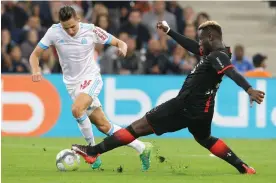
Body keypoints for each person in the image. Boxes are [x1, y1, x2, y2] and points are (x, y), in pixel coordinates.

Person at [72, 20, 265, 174]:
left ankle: (92, 152)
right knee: (205, 138)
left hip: (184, 106)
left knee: (137, 127)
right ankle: (243, 167)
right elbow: (192, 47)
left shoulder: (217, 56)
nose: (198, 43)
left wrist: (249, 89)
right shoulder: (216, 53)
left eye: (200, 39)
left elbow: (232, 72)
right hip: (204, 110)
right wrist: (170, 31)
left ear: (211, 36)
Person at [29, 6, 152, 171]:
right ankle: (142, 148)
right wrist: (36, 69)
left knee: (76, 110)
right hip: (72, 85)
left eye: (73, 26)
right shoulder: (54, 32)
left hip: (91, 78)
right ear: (60, 24)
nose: (71, 31)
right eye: (66, 28)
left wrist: (122, 46)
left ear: (78, 19)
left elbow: (117, 41)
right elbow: (34, 54)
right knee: (103, 125)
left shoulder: (91, 30)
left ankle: (92, 152)